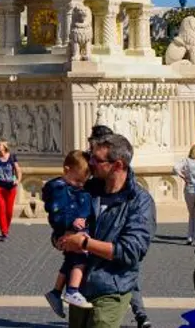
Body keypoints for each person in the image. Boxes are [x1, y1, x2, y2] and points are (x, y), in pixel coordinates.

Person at [54, 133, 156, 328]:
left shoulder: (140, 202)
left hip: (111, 288)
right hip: (80, 288)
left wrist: (84, 243)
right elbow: (64, 223)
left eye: (97, 159)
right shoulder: (87, 190)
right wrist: (60, 238)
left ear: (117, 165)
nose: (90, 163)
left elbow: (130, 251)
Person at [42, 150, 94, 316]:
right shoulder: (59, 189)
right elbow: (57, 213)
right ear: (66, 170)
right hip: (69, 230)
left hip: (73, 229)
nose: (80, 185)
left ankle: (56, 292)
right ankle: (72, 290)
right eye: (78, 180)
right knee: (81, 257)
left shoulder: (74, 187)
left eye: (83, 182)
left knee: (71, 261)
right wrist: (71, 224)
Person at [0, 140, 22, 240]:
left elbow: (18, 170)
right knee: (1, 208)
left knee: (9, 211)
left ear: (5, 147)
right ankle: (4, 231)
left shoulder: (12, 157)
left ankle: (6, 228)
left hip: (11, 187)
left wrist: (18, 180)